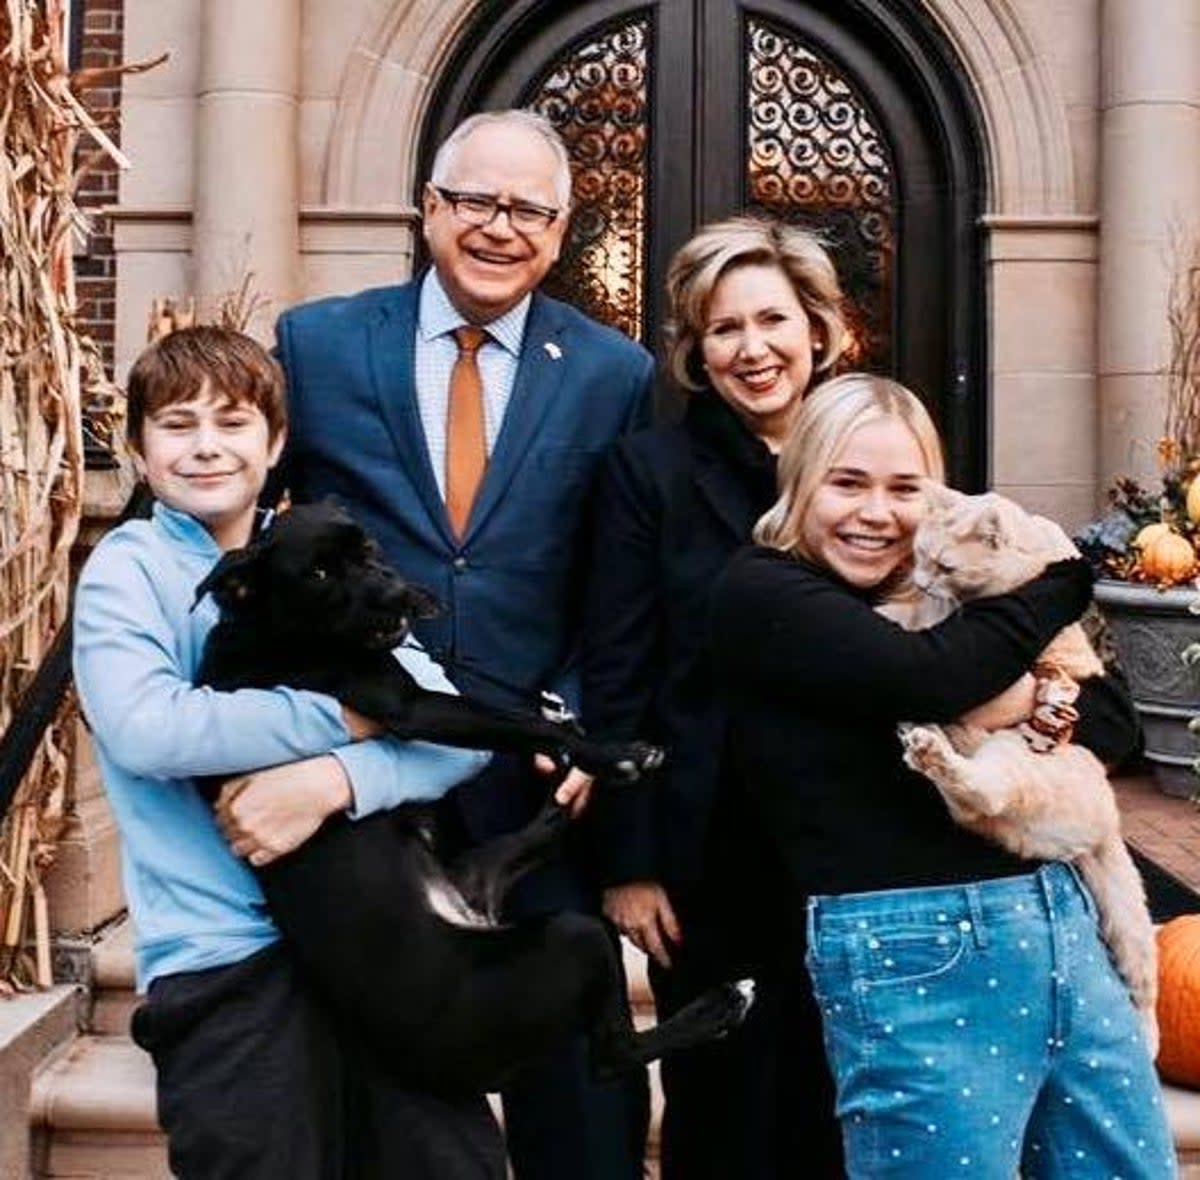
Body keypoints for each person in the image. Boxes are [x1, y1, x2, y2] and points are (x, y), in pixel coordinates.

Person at [275, 109, 654, 1179]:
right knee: (374, 1082)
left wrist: (581, 717)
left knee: (577, 1087)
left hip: (528, 776)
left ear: (563, 225)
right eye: (476, 200)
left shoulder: (611, 372)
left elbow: (616, 576)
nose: (501, 226)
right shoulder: (318, 343)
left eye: (529, 208)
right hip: (364, 775)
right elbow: (246, 536)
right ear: (429, 209)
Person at [709, 374, 1173, 1179]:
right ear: (800, 479)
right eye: (846, 483)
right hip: (914, 947)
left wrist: (1038, 694)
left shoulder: (942, 594)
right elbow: (926, 679)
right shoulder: (764, 592)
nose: (876, 512)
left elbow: (1112, 723)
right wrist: (1061, 585)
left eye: (904, 489)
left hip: (1062, 921)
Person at [73, 326, 506, 1180]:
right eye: (176, 423)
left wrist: (333, 780)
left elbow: (460, 735)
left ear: (274, 443)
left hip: (378, 946)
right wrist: (354, 716)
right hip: (230, 961)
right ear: (138, 448)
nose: (205, 445)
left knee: (450, 1162)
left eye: (232, 422)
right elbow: (150, 728)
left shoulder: (323, 554)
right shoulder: (132, 568)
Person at [581, 215, 848, 1178]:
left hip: (857, 847)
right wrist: (628, 861)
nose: (753, 349)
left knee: (840, 1111)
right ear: (695, 352)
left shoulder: (873, 463)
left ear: (819, 329)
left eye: (772, 320)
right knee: (723, 1116)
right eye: (722, 329)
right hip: (706, 860)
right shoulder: (647, 475)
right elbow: (617, 670)